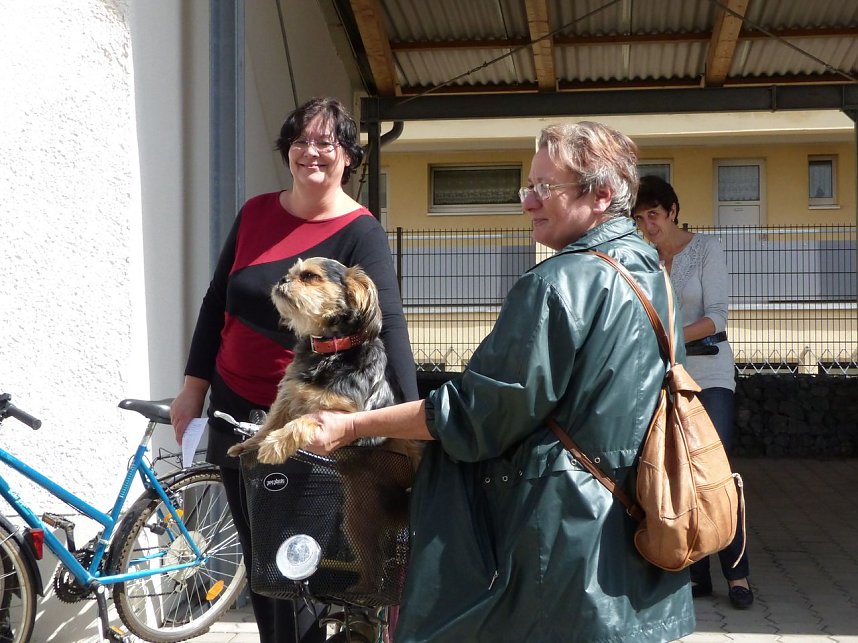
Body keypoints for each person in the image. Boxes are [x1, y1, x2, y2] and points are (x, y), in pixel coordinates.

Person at [295, 122, 696, 642]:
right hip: (634, 521)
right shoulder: (651, 273)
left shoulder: (558, 284)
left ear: (601, 195)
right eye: (527, 187)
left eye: (546, 188)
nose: (529, 201)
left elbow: (476, 414)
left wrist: (352, 427)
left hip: (560, 536)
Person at [169, 96, 418, 642]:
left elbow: (389, 325)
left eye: (327, 143)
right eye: (301, 141)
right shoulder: (256, 212)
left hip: (309, 414)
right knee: (260, 563)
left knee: (297, 561)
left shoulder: (360, 230)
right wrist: (193, 389)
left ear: (349, 156)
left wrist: (407, 418)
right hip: (236, 405)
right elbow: (218, 301)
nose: (312, 153)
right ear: (287, 149)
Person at [632, 174, 753, 610]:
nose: (648, 226)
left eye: (654, 215)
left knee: (716, 473)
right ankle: (696, 574)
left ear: (673, 211)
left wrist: (672, 340)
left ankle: (737, 575)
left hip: (709, 373)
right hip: (663, 378)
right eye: (640, 217)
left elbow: (718, 317)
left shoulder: (707, 249)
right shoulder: (642, 257)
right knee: (672, 475)